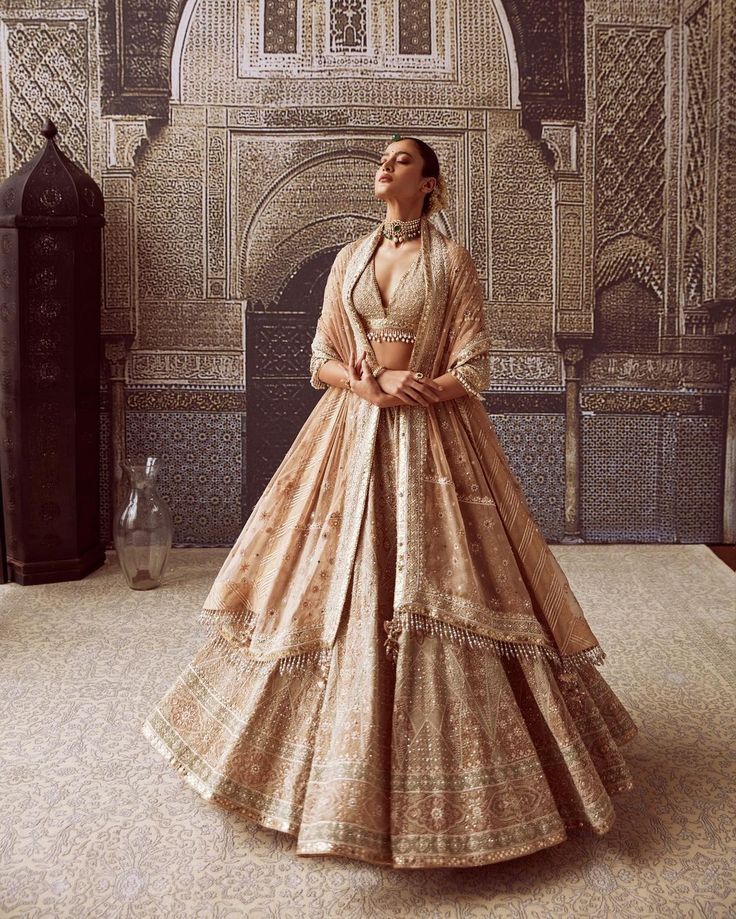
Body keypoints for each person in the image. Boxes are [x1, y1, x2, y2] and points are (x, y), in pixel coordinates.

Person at [142, 135, 638, 869]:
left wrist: (421, 388)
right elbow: (319, 359)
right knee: (315, 576)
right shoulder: (348, 260)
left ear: (429, 182)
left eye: (401, 159)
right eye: (383, 157)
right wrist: (367, 384)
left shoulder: (450, 261)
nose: (385, 165)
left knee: (454, 579)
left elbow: (475, 363)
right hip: (350, 428)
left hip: (435, 436)